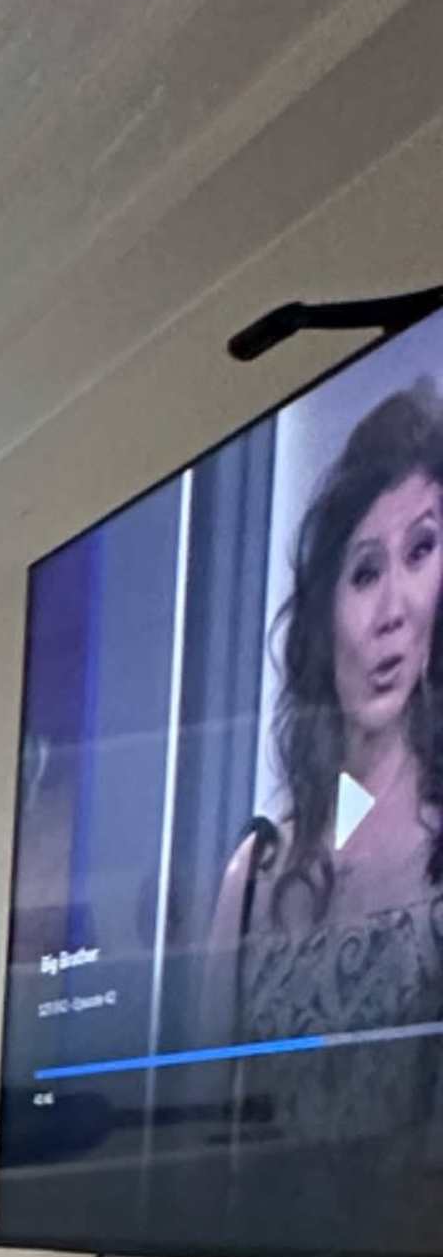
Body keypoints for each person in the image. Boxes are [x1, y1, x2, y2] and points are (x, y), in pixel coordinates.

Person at [210, 383, 443, 1074]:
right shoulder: (254, 878)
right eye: (366, 571)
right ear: (323, 610)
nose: (393, 611)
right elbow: (195, 1140)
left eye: (421, 551)